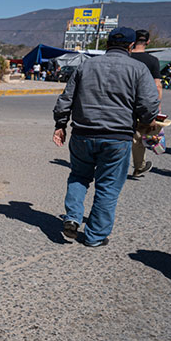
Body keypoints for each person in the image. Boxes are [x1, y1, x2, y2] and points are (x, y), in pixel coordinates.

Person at [53, 27, 159, 247]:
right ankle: (95, 236)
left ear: (107, 44)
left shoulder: (86, 65)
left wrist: (60, 124)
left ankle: (72, 217)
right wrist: (148, 122)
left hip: (82, 134)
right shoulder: (139, 69)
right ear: (130, 46)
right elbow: (149, 105)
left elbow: (66, 99)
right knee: (108, 186)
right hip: (117, 138)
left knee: (79, 176)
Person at [129, 29, 163, 176]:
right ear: (148, 42)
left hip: (124, 102)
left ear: (133, 41)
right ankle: (139, 166)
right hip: (144, 104)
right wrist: (157, 106)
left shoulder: (126, 57)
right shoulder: (152, 61)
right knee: (138, 137)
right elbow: (157, 85)